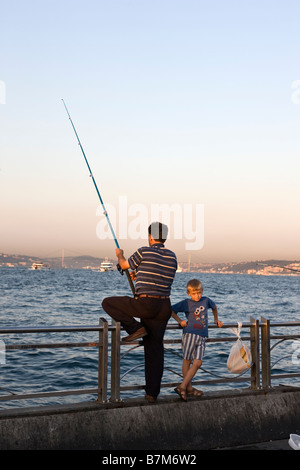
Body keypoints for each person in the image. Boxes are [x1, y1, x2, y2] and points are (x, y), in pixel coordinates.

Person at [102, 222, 177, 403]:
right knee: (155, 350)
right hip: (164, 307)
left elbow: (124, 265)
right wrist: (139, 276)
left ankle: (135, 328)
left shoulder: (144, 251)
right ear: (164, 237)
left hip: (147, 303)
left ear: (150, 236)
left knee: (108, 303)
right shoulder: (172, 257)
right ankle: (152, 394)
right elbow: (156, 277)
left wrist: (120, 255)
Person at [171, 278, 223, 401]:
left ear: (202, 291)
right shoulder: (186, 303)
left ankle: (182, 386)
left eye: (199, 293)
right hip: (190, 334)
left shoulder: (206, 300)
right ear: (189, 293)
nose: (197, 296)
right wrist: (180, 321)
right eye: (194, 294)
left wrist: (216, 319)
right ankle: (188, 388)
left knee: (198, 362)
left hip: (203, 336)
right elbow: (171, 310)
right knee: (187, 361)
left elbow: (214, 307)